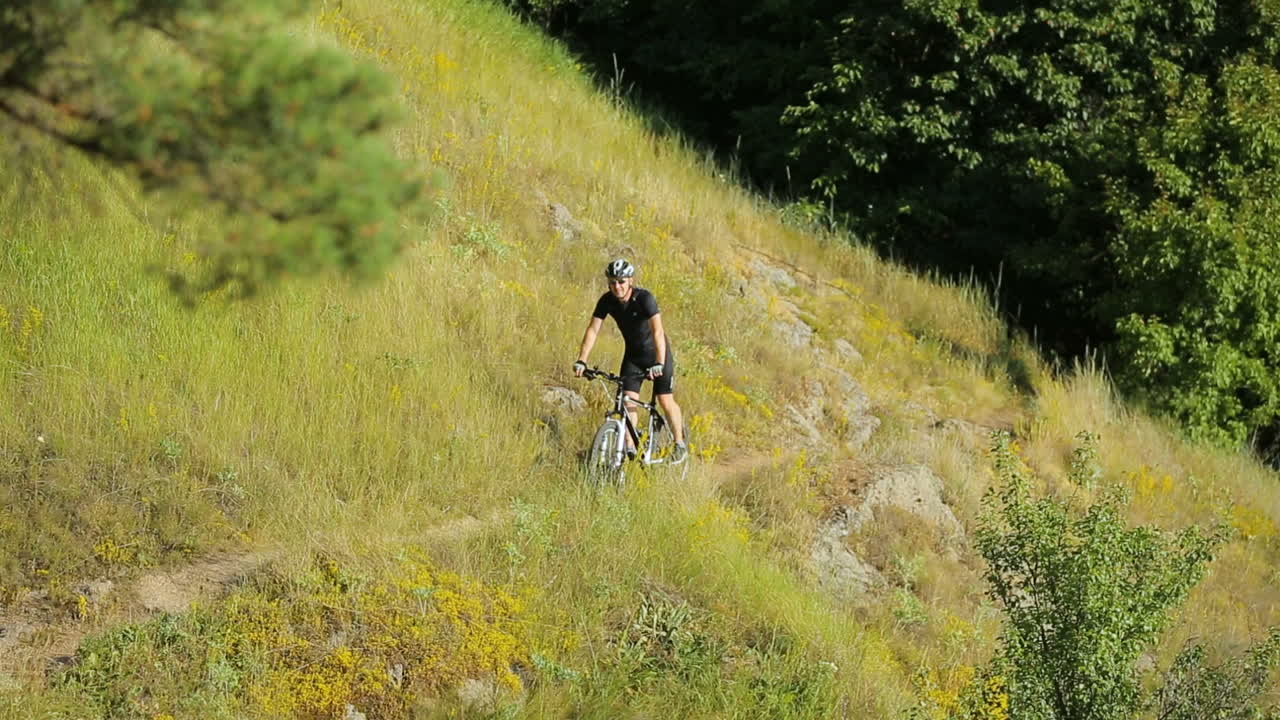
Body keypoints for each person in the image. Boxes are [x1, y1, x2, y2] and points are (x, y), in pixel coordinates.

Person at [573, 258, 687, 462]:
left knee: (664, 399)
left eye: (621, 282)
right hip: (633, 357)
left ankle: (679, 444)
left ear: (630, 281)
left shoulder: (644, 299)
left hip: (657, 354)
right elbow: (593, 330)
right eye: (612, 282)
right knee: (627, 401)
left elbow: (658, 332)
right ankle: (629, 448)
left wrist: (659, 363)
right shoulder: (607, 301)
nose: (617, 286)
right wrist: (582, 360)